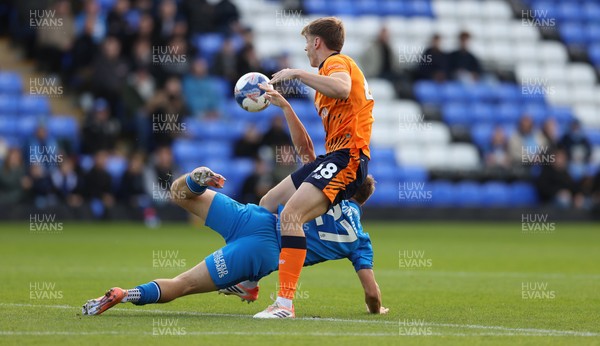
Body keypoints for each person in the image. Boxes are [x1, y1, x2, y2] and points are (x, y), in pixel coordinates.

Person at [255, 16, 374, 318]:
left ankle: (284, 304)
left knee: (292, 215)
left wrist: (296, 73)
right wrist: (286, 106)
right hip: (332, 156)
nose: (306, 48)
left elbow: (343, 89)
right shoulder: (323, 83)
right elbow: (308, 150)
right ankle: (249, 278)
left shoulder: (337, 64)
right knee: (268, 202)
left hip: (349, 157)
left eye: (307, 41)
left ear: (317, 42)